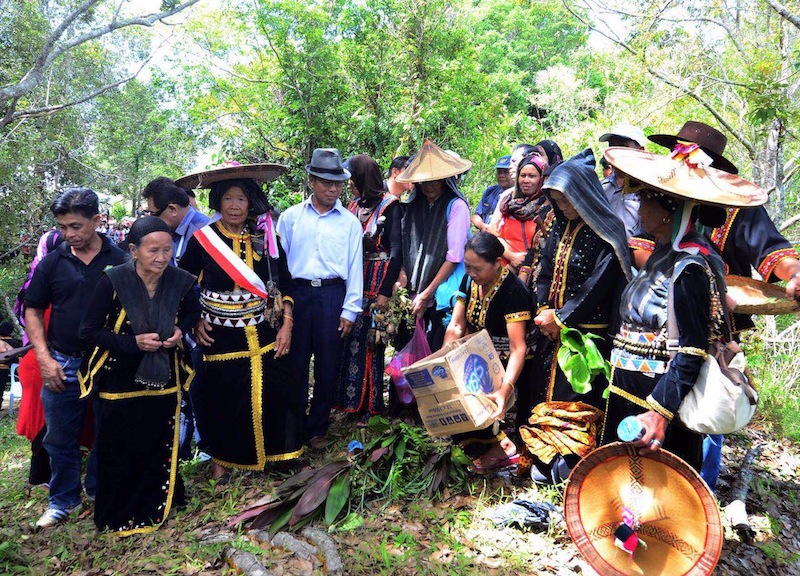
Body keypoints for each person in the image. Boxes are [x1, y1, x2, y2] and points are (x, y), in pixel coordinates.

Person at [645, 120, 800, 489]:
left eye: (686, 155)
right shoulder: (660, 197)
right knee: (666, 399)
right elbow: (641, 248)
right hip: (662, 320)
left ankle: (702, 486)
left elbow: (772, 252)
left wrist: (795, 273)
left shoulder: (737, 208)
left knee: (709, 394)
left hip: (714, 322)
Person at [599, 145, 767, 471]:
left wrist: (659, 412)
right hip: (631, 391)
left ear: (667, 210)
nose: (638, 205)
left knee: (658, 488)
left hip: (656, 401)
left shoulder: (690, 267)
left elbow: (691, 350)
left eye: (645, 199)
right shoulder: (664, 255)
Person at [180, 165, 303, 479]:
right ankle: (222, 460)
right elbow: (182, 286)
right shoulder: (203, 241)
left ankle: (279, 454)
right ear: (217, 202)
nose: (235, 206)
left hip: (265, 330)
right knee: (224, 395)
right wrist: (194, 321)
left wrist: (287, 323)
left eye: (241, 199)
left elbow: (285, 283)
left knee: (278, 388)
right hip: (219, 335)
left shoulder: (266, 238)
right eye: (228, 199)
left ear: (251, 203)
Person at [79, 217, 199, 534]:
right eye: (153, 250)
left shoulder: (181, 281)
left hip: (165, 375)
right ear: (133, 250)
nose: (161, 258)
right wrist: (133, 343)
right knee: (118, 444)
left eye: (167, 250)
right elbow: (89, 331)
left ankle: (160, 503)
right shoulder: (112, 281)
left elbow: (192, 311)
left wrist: (180, 330)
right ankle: (117, 514)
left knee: (159, 441)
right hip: (118, 376)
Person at [521, 149, 631, 484]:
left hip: (586, 333)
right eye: (557, 201)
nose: (563, 207)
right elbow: (545, 271)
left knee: (577, 395)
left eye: (566, 200)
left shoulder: (606, 230)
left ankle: (574, 462)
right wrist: (543, 309)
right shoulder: (558, 227)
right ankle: (546, 456)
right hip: (550, 329)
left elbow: (598, 284)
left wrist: (563, 317)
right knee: (543, 392)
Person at [24, 188, 128, 528]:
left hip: (110, 362)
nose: (68, 234)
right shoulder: (53, 262)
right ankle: (63, 500)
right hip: (63, 362)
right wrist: (43, 357)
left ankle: (99, 490)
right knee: (58, 437)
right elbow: (33, 310)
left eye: (75, 226)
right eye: (62, 227)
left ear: (97, 220)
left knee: (108, 431)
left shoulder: (120, 260)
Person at [277, 149, 363, 449]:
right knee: (295, 364)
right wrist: (283, 305)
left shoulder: (349, 223)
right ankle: (293, 428)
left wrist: (350, 310)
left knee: (328, 365)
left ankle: (317, 429)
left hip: (332, 296)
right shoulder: (290, 218)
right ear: (312, 181)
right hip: (298, 296)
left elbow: (355, 267)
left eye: (337, 183)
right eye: (326, 182)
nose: (333, 189)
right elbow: (280, 266)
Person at [444, 232, 534, 470]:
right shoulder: (469, 281)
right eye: (467, 267)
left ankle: (504, 447)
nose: (471, 273)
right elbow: (456, 325)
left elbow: (518, 347)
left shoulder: (513, 291)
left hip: (510, 364)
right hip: (478, 357)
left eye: (477, 268)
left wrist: (505, 388)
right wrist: (442, 359)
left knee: (496, 407)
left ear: (497, 263)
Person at [142, 176, 211, 460]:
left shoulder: (205, 232)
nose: (150, 219)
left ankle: (208, 446)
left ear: (171, 209)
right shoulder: (167, 235)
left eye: (153, 213)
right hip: (177, 323)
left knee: (203, 385)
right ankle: (187, 444)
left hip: (204, 324)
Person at [335, 155, 401, 421]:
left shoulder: (390, 206)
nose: (349, 183)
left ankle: (370, 406)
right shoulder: (352, 205)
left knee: (372, 343)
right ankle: (348, 404)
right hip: (353, 279)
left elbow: (396, 251)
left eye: (352, 178)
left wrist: (385, 291)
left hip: (376, 281)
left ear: (364, 178)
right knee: (348, 340)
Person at [397, 139, 472, 351]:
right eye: (424, 181)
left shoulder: (456, 207)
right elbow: (407, 247)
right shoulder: (413, 207)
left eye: (436, 181)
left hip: (445, 291)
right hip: (415, 290)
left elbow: (454, 256)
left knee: (437, 349)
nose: (429, 186)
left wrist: (426, 294)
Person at [14, 229, 63, 491]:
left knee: (47, 421)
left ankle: (43, 475)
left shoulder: (33, 280)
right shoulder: (46, 285)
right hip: (43, 360)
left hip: (35, 358)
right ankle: (40, 476)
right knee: (45, 423)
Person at [490, 153, 550, 275]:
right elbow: (492, 232)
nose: (526, 180)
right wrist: (511, 256)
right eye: (523, 175)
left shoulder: (548, 206)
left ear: (541, 179)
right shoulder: (508, 202)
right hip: (503, 268)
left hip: (536, 271)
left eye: (532, 176)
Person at [142, 176, 211, 266]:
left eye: (154, 214)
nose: (152, 219)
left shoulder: (204, 231)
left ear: (173, 210)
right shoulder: (171, 229)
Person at [598, 123, 648, 238]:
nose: (616, 152)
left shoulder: (652, 189)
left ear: (640, 151)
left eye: (623, 146)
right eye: (612, 146)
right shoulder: (601, 188)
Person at [472, 155, 511, 232]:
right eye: (499, 172)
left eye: (506, 172)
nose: (501, 175)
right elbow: (477, 215)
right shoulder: (490, 191)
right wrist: (482, 225)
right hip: (485, 234)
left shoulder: (518, 196)